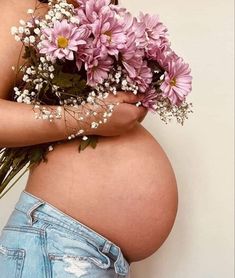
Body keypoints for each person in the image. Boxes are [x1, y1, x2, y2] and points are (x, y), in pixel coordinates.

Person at [0, 0, 178, 277]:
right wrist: (86, 116)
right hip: (55, 249)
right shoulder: (24, 7)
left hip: (74, 254)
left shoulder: (93, 15)